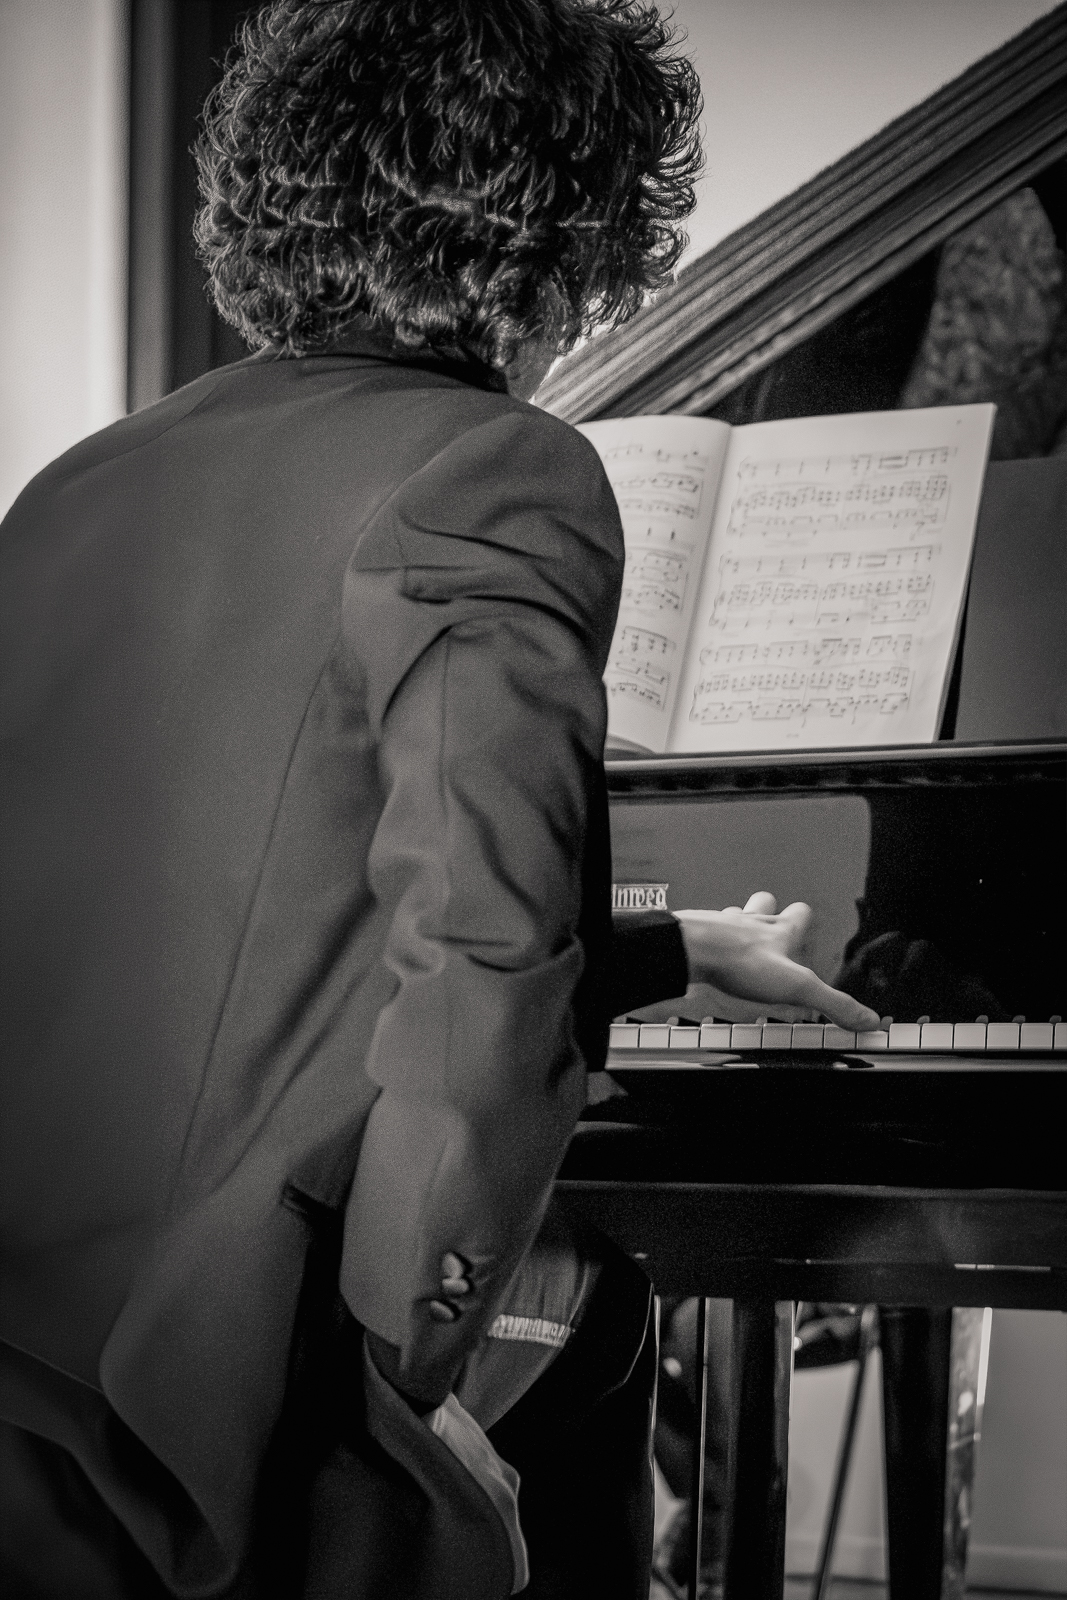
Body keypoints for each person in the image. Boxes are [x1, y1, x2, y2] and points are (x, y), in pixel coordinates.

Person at [0, 3, 877, 1596]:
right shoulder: (496, 468)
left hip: (28, 1384)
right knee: (586, 1343)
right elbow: (478, 979)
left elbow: (241, 943)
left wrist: (672, 948)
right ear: (572, 232)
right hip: (190, 1446)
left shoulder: (82, 481)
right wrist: (409, 1390)